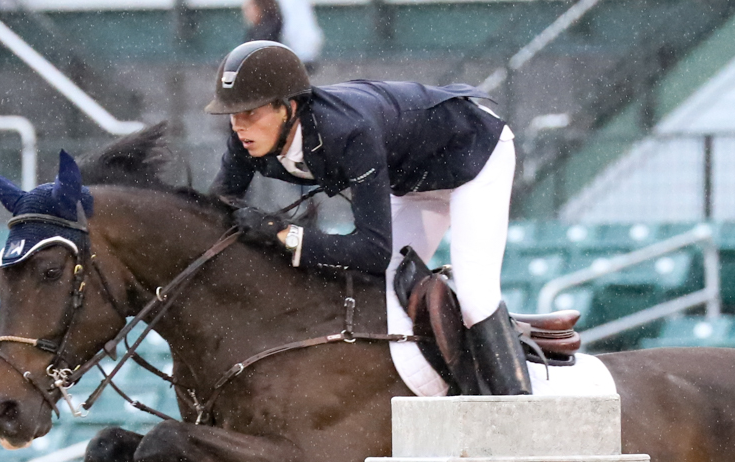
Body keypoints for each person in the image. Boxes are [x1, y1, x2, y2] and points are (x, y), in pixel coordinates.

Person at [206, 40, 530, 395]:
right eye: (232, 114)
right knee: (377, 290)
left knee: (475, 295)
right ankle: (447, 389)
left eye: (250, 112)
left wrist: (284, 234)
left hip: (474, 158)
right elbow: (215, 207)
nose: (238, 126)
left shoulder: (347, 131)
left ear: (289, 107)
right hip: (412, 183)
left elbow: (372, 251)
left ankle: (514, 408)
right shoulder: (246, 137)